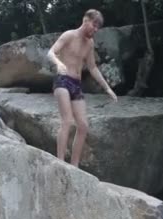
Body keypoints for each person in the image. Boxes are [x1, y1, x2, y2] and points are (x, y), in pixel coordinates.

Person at [47, 9, 117, 167]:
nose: (96, 29)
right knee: (67, 121)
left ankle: (75, 166)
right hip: (62, 80)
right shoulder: (69, 35)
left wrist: (107, 89)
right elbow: (51, 52)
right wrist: (58, 63)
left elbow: (92, 68)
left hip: (76, 85)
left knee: (83, 126)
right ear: (86, 20)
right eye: (94, 25)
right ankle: (60, 162)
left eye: (98, 27)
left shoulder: (89, 44)